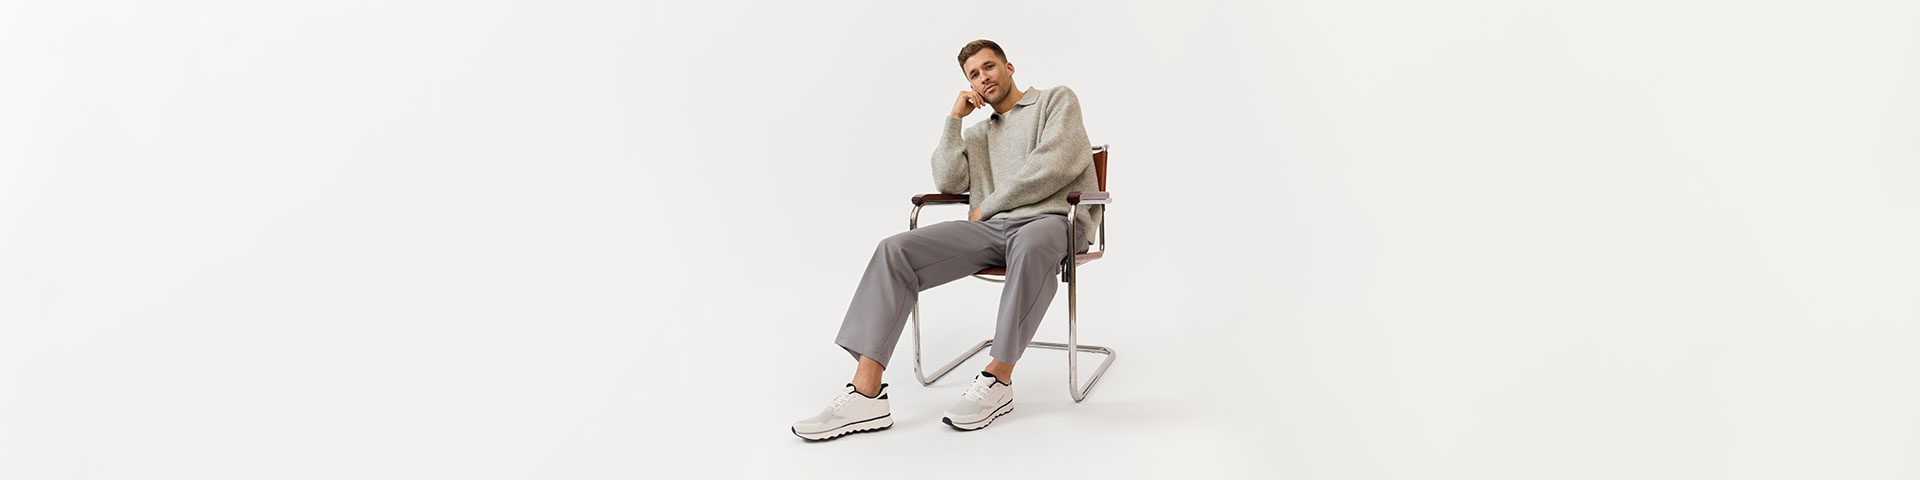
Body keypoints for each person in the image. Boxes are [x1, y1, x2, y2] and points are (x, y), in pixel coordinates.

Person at [792, 39, 1103, 441]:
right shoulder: (978, 135)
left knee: (1030, 243)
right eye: (973, 74)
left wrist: (990, 203)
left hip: (1057, 221)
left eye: (989, 67)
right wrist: (954, 120)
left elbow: (1055, 166)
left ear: (1009, 67)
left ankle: (998, 380)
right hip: (995, 229)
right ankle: (866, 393)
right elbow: (948, 181)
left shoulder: (1055, 101)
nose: (983, 77)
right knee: (896, 249)